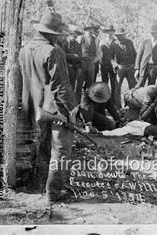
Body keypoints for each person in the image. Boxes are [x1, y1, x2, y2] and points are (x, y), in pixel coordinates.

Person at [19, 12, 78, 202]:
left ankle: (40, 183)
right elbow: (61, 86)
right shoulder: (53, 51)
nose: (59, 37)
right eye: (58, 34)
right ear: (52, 33)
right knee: (61, 149)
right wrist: (72, 111)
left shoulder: (25, 49)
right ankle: (53, 192)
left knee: (43, 146)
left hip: (34, 107)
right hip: (55, 109)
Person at [76, 23, 102, 102]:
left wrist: (93, 61)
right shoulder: (80, 38)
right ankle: (76, 102)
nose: (90, 31)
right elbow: (76, 50)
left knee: (90, 83)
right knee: (79, 84)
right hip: (81, 63)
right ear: (86, 30)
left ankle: (88, 102)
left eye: (92, 29)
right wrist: (80, 60)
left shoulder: (97, 40)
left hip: (91, 64)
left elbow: (99, 54)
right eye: (88, 29)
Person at [58, 25, 83, 103]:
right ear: (70, 34)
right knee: (64, 87)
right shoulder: (64, 43)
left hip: (74, 68)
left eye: (76, 35)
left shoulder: (78, 45)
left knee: (72, 86)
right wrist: (73, 56)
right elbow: (62, 55)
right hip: (66, 68)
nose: (74, 36)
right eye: (73, 34)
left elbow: (80, 56)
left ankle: (71, 103)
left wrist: (77, 59)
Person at [114, 27, 137, 108]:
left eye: (121, 35)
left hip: (130, 67)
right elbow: (111, 57)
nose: (120, 37)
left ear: (124, 35)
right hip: (120, 68)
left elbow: (134, 54)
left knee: (133, 87)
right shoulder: (115, 44)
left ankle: (131, 105)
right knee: (117, 88)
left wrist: (135, 66)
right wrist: (116, 65)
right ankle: (118, 106)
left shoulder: (129, 42)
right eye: (118, 36)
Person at [100, 25, 118, 106]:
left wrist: (115, 64)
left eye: (110, 31)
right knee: (104, 83)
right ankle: (104, 102)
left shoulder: (116, 41)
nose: (109, 33)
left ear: (113, 32)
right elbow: (99, 53)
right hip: (104, 65)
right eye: (107, 31)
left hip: (113, 65)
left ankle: (113, 103)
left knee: (114, 84)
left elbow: (117, 55)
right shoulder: (102, 41)